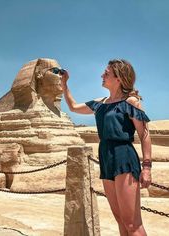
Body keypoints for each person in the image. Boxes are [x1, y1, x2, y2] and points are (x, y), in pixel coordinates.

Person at [60, 59, 152, 236]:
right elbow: (73, 107)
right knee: (120, 219)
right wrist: (65, 84)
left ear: (119, 78)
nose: (102, 75)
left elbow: (144, 135)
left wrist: (146, 167)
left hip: (124, 156)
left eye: (106, 73)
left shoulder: (131, 102)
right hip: (106, 157)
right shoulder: (100, 103)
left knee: (132, 223)